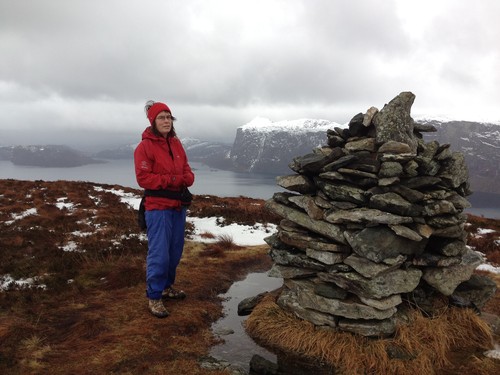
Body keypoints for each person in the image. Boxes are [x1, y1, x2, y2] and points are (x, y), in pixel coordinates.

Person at [134, 100, 195, 318]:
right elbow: (143, 178)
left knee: (174, 251)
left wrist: (186, 177)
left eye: (169, 117)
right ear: (153, 121)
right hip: (157, 207)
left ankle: (167, 287)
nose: (167, 121)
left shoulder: (177, 144)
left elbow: (187, 171)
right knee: (159, 254)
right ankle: (154, 296)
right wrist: (173, 179)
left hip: (178, 206)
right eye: (162, 117)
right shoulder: (144, 147)